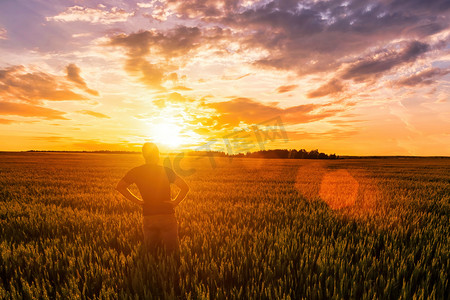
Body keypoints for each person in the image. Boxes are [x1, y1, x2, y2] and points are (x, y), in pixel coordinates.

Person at [116, 142, 189, 255]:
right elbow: (185, 187)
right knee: (172, 253)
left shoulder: (136, 171)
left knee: (150, 252)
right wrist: (175, 202)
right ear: (158, 155)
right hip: (167, 215)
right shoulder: (166, 170)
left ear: (144, 155)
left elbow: (120, 187)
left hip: (148, 215)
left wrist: (139, 201)